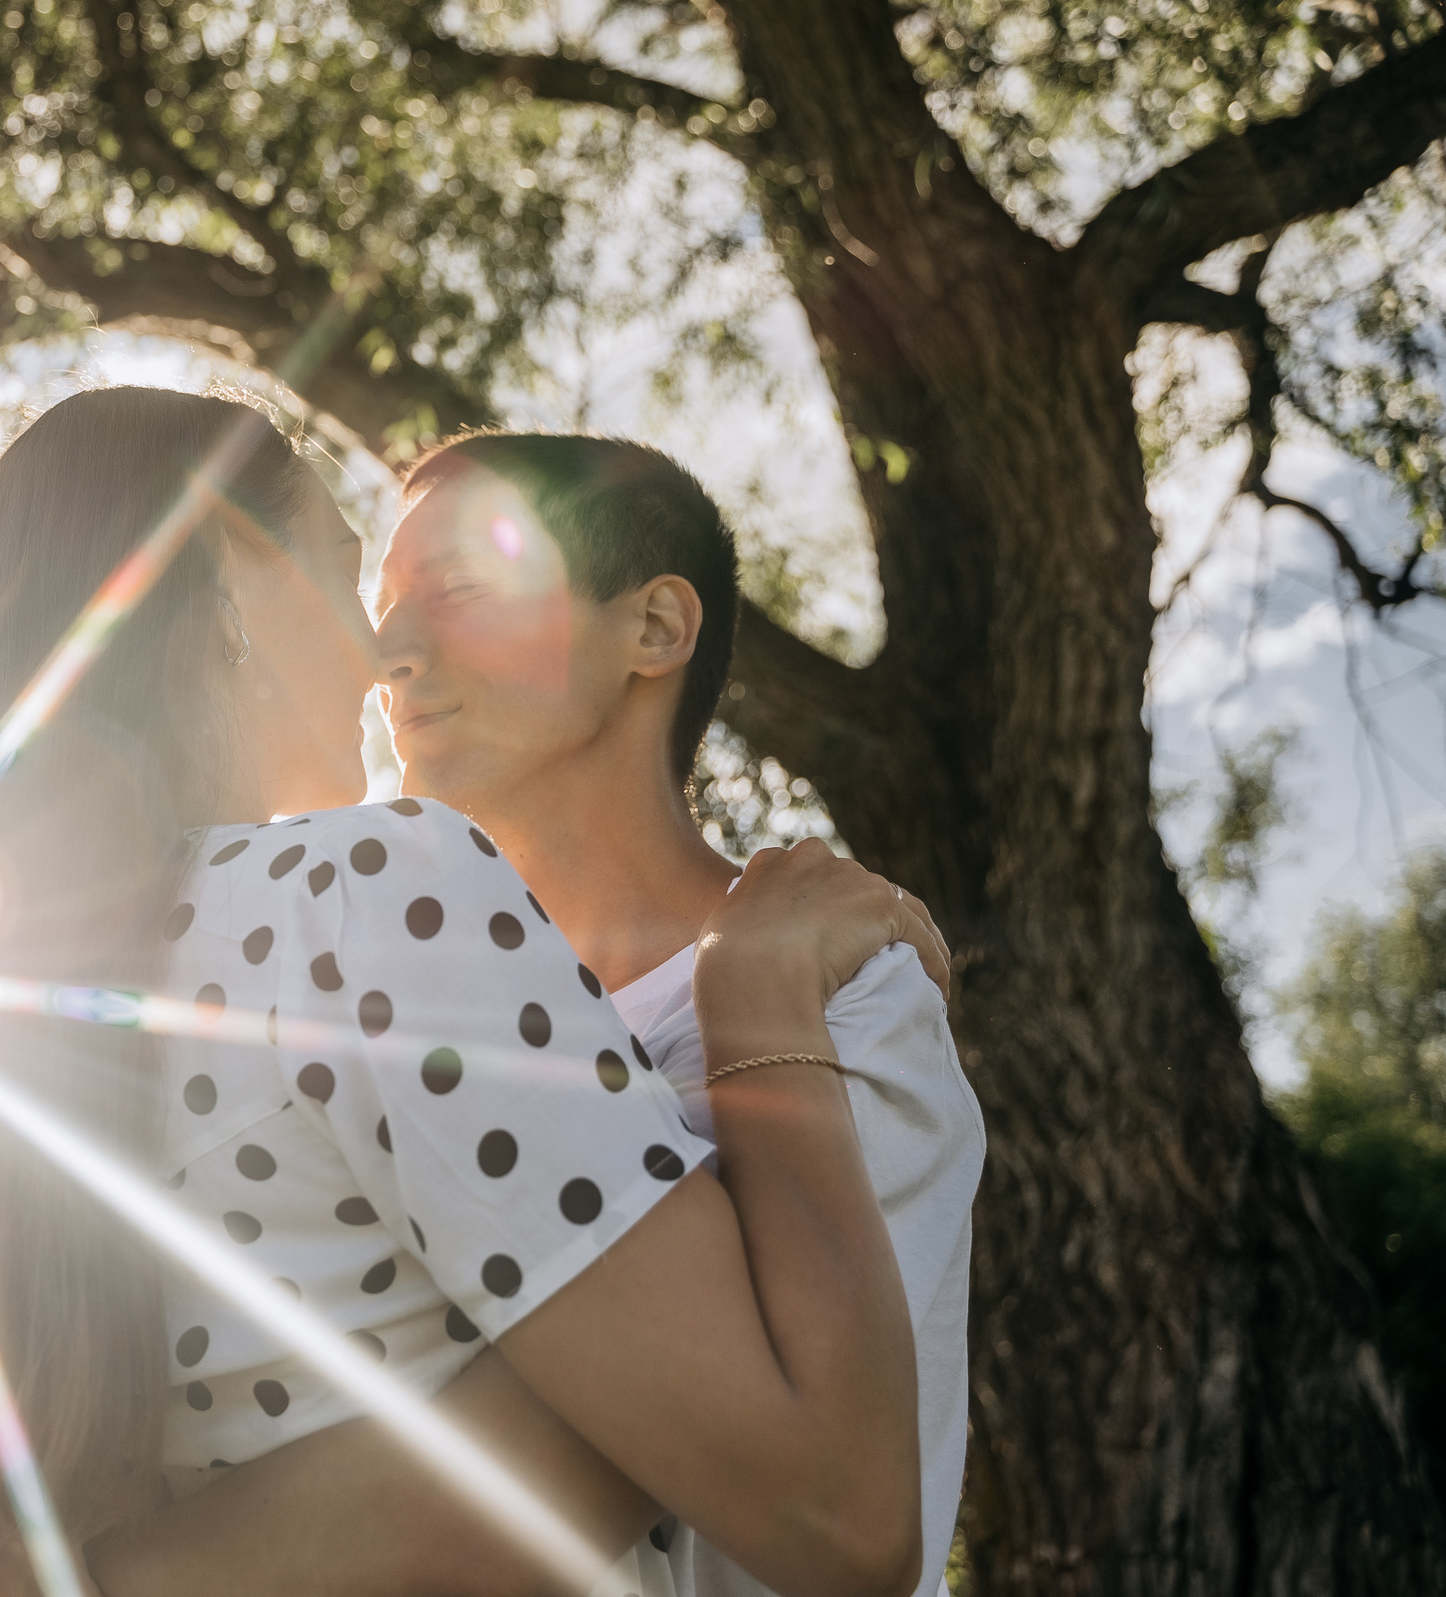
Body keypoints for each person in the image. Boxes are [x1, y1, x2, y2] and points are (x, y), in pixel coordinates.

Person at [0, 389, 946, 1597]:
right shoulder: (364, 890)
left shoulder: (10, 1016)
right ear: (224, 597)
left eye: (459, 590)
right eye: (346, 576)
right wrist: (754, 1001)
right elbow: (839, 1515)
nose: (383, 655)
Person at [72, 435, 985, 1597]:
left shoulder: (849, 999)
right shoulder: (374, 1010)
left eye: (458, 591)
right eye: (380, 606)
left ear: (654, 627)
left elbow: (829, 1498)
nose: (387, 653)